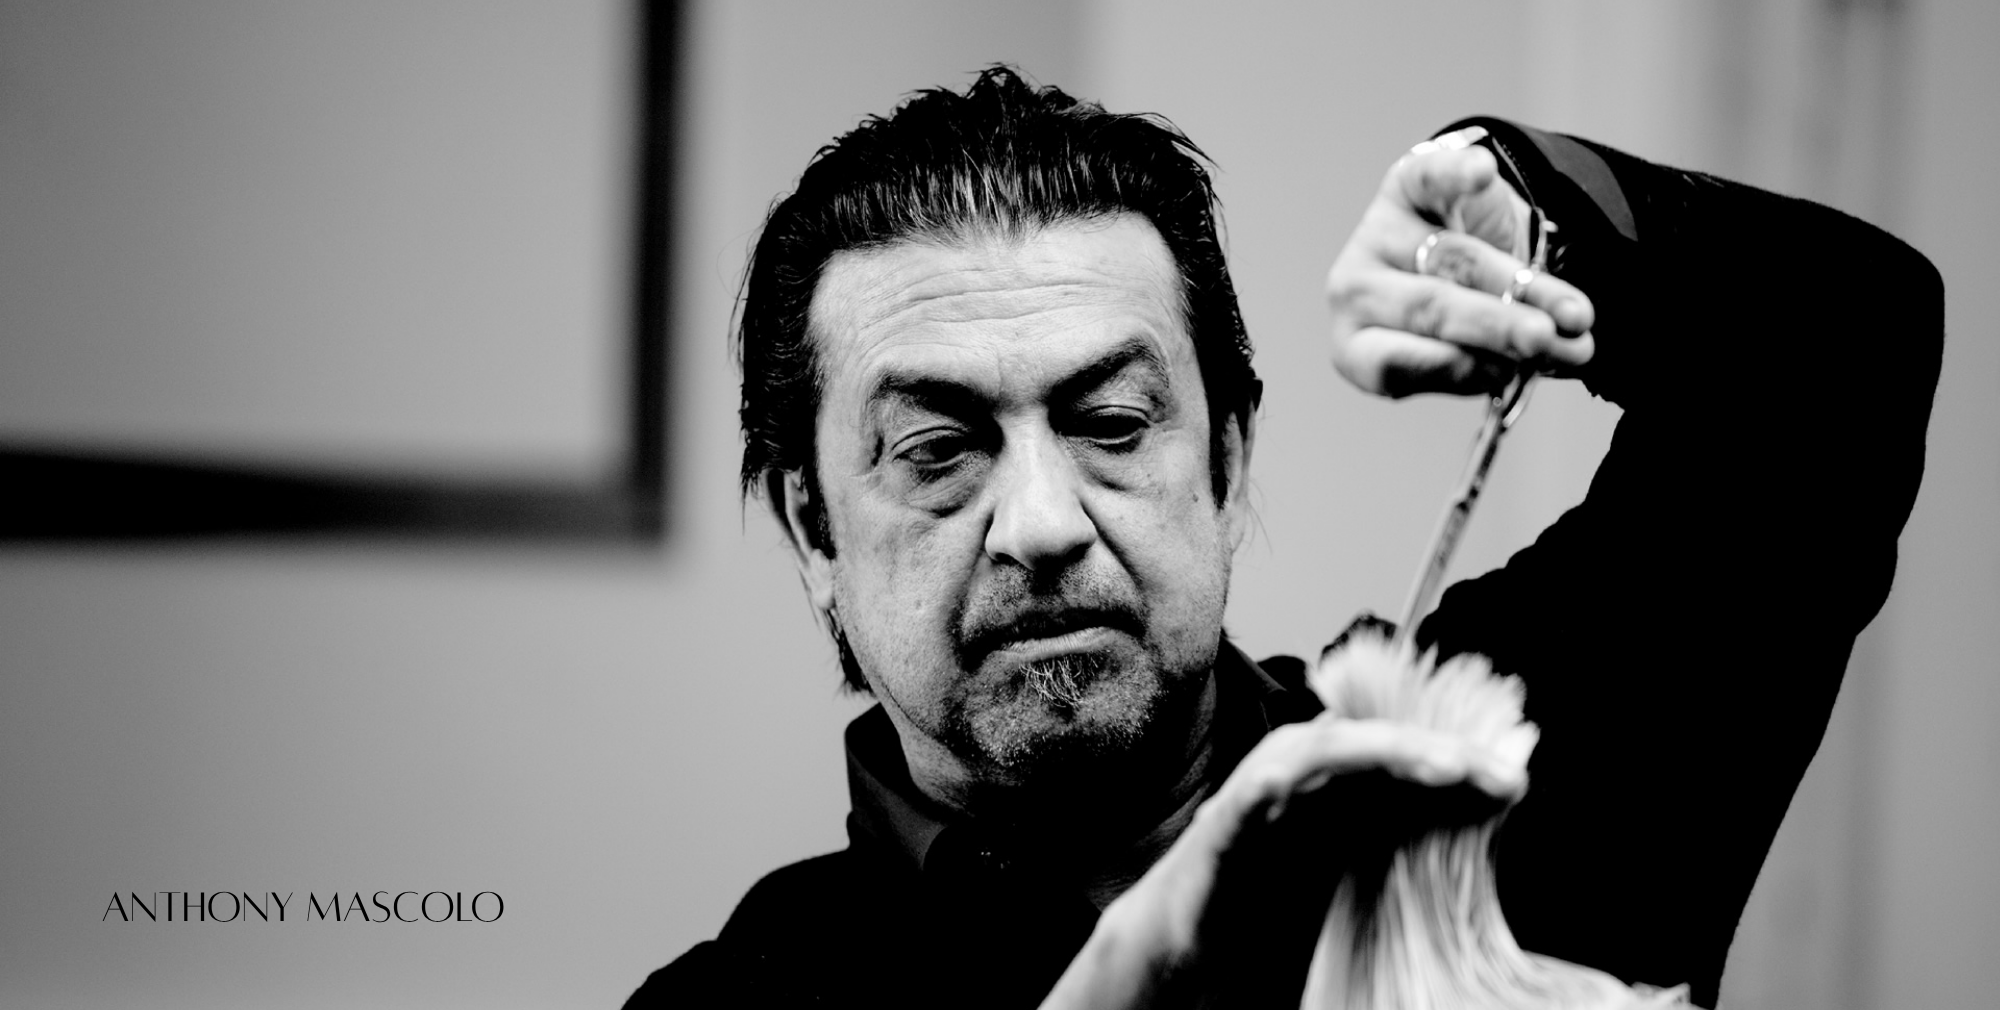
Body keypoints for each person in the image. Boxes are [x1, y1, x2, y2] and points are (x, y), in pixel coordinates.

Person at [624, 67, 1941, 1009]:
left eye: (1112, 422)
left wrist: (1524, 205)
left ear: (1229, 458)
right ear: (813, 528)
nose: (1041, 523)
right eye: (937, 450)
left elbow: (1847, 341)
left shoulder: (1481, 778)